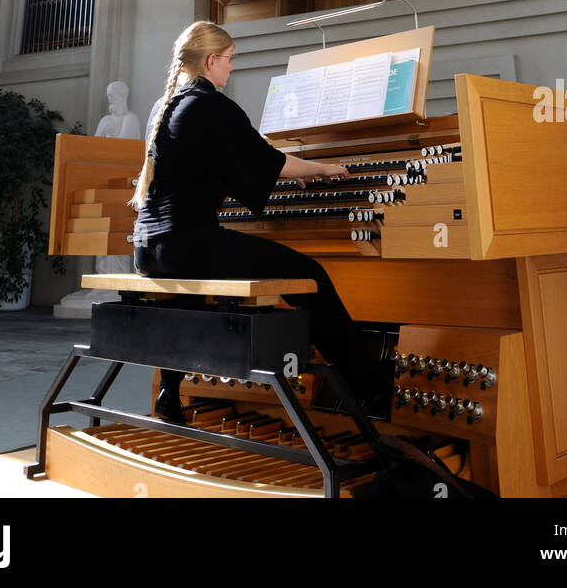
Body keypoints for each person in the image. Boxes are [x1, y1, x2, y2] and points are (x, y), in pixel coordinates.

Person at [131, 21, 393, 424]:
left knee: (194, 286)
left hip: (150, 248)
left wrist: (284, 168)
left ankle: (170, 391)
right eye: (230, 60)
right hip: (186, 245)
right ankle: (372, 389)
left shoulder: (165, 104)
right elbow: (262, 159)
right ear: (212, 59)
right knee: (310, 274)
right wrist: (319, 167)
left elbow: (240, 160)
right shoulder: (209, 104)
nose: (232, 69)